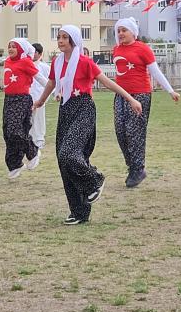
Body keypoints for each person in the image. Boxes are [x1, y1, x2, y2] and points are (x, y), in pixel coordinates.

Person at [32, 25, 143, 225]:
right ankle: (79, 212)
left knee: (69, 153)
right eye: (59, 37)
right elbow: (51, 83)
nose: (60, 40)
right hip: (66, 110)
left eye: (65, 37)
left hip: (84, 109)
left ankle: (94, 180)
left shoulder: (85, 62)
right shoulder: (57, 62)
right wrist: (40, 101)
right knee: (63, 161)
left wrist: (131, 99)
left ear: (74, 40)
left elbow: (107, 82)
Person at [111, 18, 180, 188]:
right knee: (120, 132)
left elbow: (155, 71)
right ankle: (132, 165)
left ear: (133, 32)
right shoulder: (116, 49)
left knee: (134, 132)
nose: (121, 34)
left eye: (124, 30)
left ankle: (138, 169)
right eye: (118, 31)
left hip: (140, 95)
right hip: (121, 95)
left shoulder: (143, 48)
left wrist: (170, 90)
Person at [3, 38, 48, 179]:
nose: (10, 49)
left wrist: (56, 91)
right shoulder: (7, 61)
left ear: (21, 49)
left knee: (15, 130)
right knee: (8, 133)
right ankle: (15, 164)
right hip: (8, 100)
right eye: (9, 46)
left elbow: (41, 79)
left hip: (22, 100)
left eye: (14, 47)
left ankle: (33, 152)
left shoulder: (26, 62)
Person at [28, 43, 51, 149]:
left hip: (40, 97)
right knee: (28, 120)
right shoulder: (26, 65)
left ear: (40, 54)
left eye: (35, 52)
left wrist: (45, 98)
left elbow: (50, 83)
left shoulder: (45, 67)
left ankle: (39, 140)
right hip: (28, 97)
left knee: (39, 119)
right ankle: (30, 139)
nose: (33, 54)